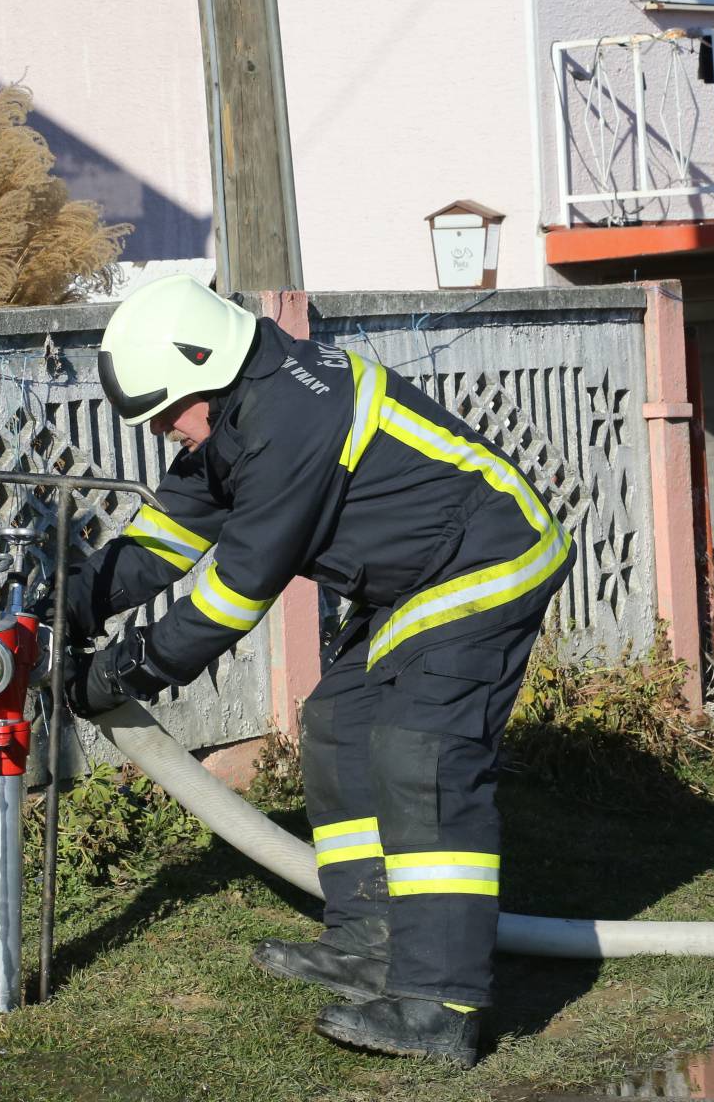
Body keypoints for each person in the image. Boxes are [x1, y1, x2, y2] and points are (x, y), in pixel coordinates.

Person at [58, 275, 571, 1067]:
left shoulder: (290, 416)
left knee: (420, 755)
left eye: (165, 412)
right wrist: (75, 609)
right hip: (418, 577)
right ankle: (370, 941)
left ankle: (440, 1004)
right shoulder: (232, 411)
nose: (163, 430)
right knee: (338, 724)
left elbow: (239, 588)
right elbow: (163, 538)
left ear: (205, 364)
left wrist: (125, 672)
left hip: (488, 557)